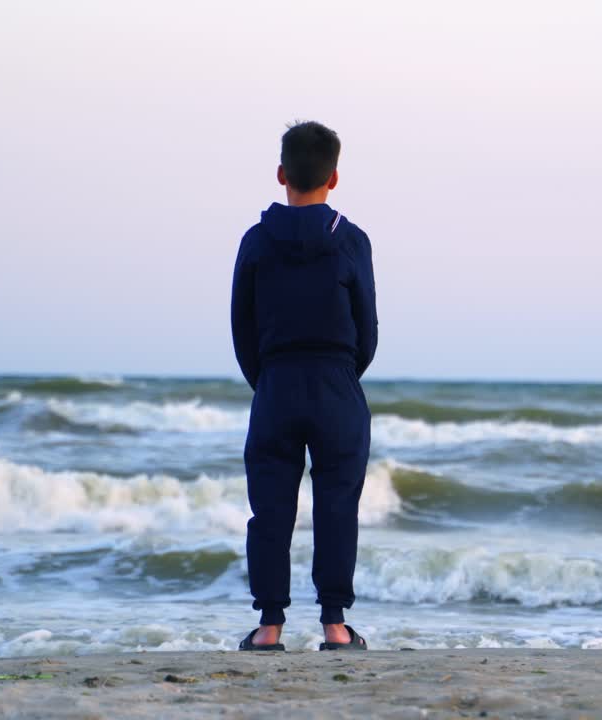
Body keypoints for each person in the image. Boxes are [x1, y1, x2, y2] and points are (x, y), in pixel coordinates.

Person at [230, 120, 378, 651]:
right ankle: (335, 625)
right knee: (337, 504)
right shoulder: (352, 241)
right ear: (334, 177)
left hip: (276, 383)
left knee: (270, 507)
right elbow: (369, 329)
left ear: (280, 174)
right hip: (336, 382)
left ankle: (269, 627)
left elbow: (240, 327)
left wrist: (267, 378)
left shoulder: (255, 242)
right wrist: (339, 374)